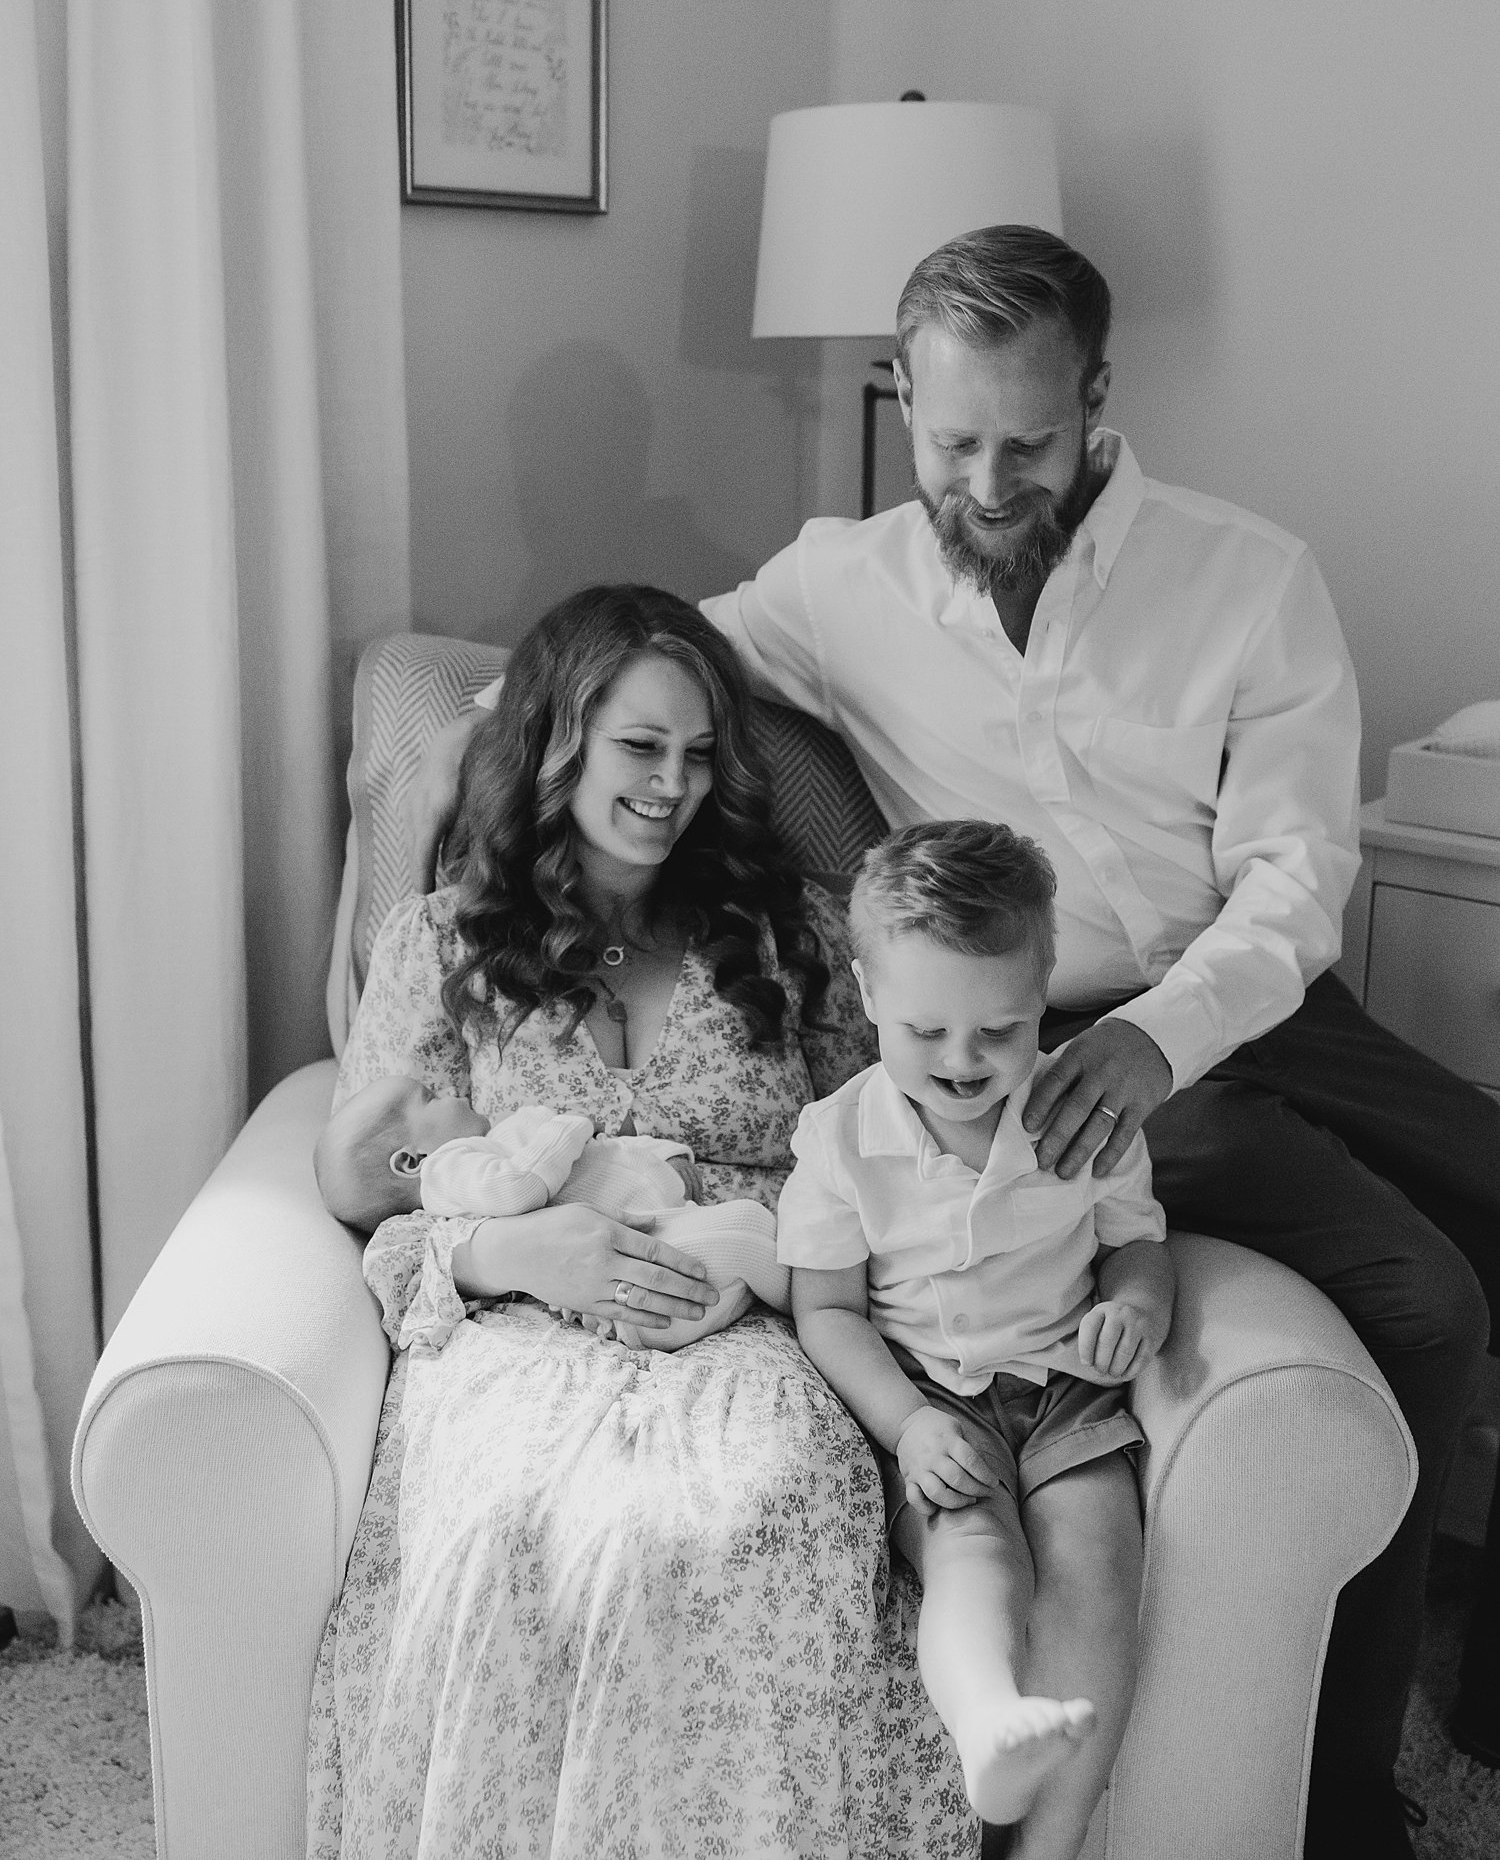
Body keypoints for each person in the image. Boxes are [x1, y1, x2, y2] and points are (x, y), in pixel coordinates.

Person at [406, 227, 1500, 1857]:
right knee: (1429, 1296)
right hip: (1033, 1030)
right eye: (951, 441)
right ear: (898, 399)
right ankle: (1349, 1787)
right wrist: (484, 751)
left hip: (1244, 992)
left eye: (1030, 443)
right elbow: (644, 670)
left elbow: (1297, 875)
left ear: (1101, 403)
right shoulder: (837, 583)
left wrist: (1164, 1037)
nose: (989, 482)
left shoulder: (1248, 574)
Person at [308, 583, 976, 1860]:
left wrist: (756, 1262)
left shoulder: (803, 938)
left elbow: (881, 1167)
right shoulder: (442, 943)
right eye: (639, 746)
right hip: (514, 1340)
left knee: (723, 1529)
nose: (672, 784)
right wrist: (521, 1249)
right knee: (520, 1536)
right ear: (559, 741)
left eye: (698, 751)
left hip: (751, 1338)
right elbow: (386, 1194)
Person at [781, 821, 1173, 1860]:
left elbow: (1138, 1247)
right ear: (866, 998)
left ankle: (1049, 1842)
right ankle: (989, 1717)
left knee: (1099, 1561)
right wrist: (906, 1427)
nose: (963, 1063)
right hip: (933, 1399)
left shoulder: (1082, 1116)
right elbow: (825, 1309)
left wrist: (1136, 1306)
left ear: (1044, 999)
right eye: (927, 1032)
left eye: (998, 1032)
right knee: (974, 1554)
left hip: (1066, 1391)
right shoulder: (839, 1137)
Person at [314, 1068, 790, 1348]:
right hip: (643, 1282)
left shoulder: (495, 1144)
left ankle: (805, 1296)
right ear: (410, 1162)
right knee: (749, 1227)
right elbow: (523, 1189)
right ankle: (814, 1299)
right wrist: (570, 1126)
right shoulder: (449, 1168)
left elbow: (606, 1157)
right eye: (432, 1097)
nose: (453, 1091)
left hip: (663, 1255)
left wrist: (665, 1157)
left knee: (746, 1249)